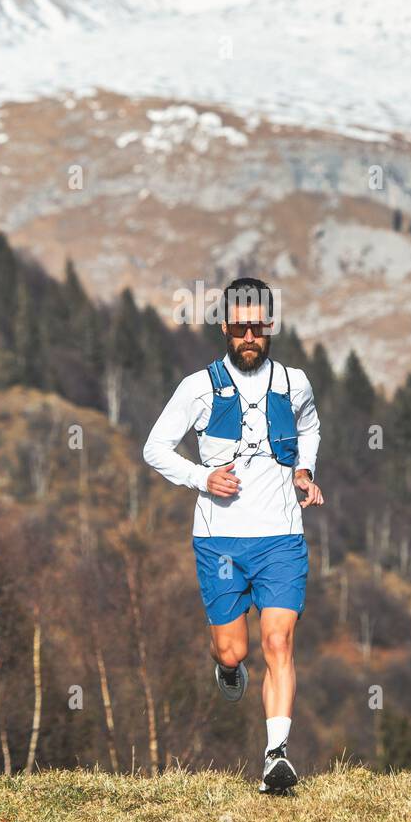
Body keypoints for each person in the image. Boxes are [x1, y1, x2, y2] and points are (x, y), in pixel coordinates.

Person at [143, 277, 324, 792]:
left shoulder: (295, 383)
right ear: (224, 327)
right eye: (240, 326)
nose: (249, 336)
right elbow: (154, 448)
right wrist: (201, 477)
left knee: (278, 642)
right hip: (219, 542)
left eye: (258, 327)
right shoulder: (197, 388)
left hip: (281, 539)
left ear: (270, 328)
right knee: (233, 651)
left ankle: (276, 758)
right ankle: (225, 667)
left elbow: (309, 427)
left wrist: (303, 472)